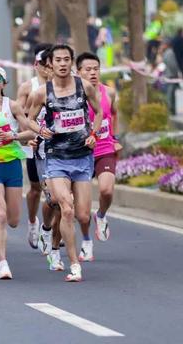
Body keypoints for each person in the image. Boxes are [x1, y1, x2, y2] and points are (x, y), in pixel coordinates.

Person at [27, 44, 102, 282]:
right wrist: (40, 130)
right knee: (66, 209)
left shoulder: (84, 86)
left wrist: (94, 134)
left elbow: (99, 112)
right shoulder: (41, 93)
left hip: (82, 157)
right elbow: (29, 119)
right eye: (57, 60)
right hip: (56, 158)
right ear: (51, 63)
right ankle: (74, 264)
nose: (62, 63)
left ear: (71, 62)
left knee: (83, 215)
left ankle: (55, 239)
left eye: (66, 59)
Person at [0, 66, 34, 279]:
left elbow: (30, 131)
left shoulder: (11, 106)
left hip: (12, 165)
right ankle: (3, 264)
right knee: (0, 214)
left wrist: (13, 136)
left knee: (13, 220)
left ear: (4, 84)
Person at [76, 52, 121, 261]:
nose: (93, 73)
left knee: (106, 190)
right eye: (88, 69)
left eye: (96, 69)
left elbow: (114, 113)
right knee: (81, 209)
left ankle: (101, 215)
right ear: (79, 72)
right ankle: (86, 240)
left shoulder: (109, 92)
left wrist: (115, 137)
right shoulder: (73, 96)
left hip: (104, 148)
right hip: (81, 153)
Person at [16, 44, 51, 249]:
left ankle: (52, 230)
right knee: (36, 189)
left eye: (48, 64)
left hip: (57, 146)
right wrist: (26, 137)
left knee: (53, 191)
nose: (45, 68)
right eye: (41, 64)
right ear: (35, 65)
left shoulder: (64, 84)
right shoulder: (28, 87)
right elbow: (19, 115)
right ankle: (32, 223)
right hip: (34, 144)